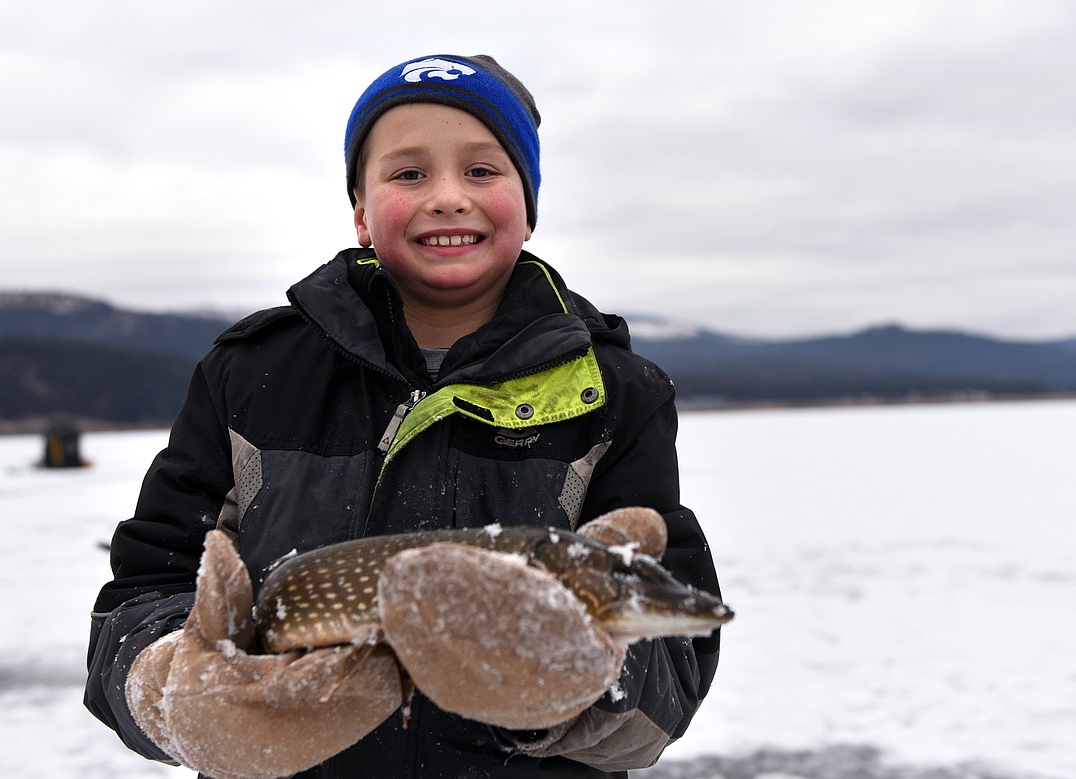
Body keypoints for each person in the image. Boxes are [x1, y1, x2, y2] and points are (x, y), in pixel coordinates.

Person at [84, 53, 723, 779]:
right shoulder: (250, 373)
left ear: (529, 203)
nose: (448, 197)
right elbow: (143, 593)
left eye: (483, 171)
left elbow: (667, 688)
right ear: (360, 210)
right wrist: (175, 689)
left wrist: (580, 684)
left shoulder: (618, 392)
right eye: (409, 173)